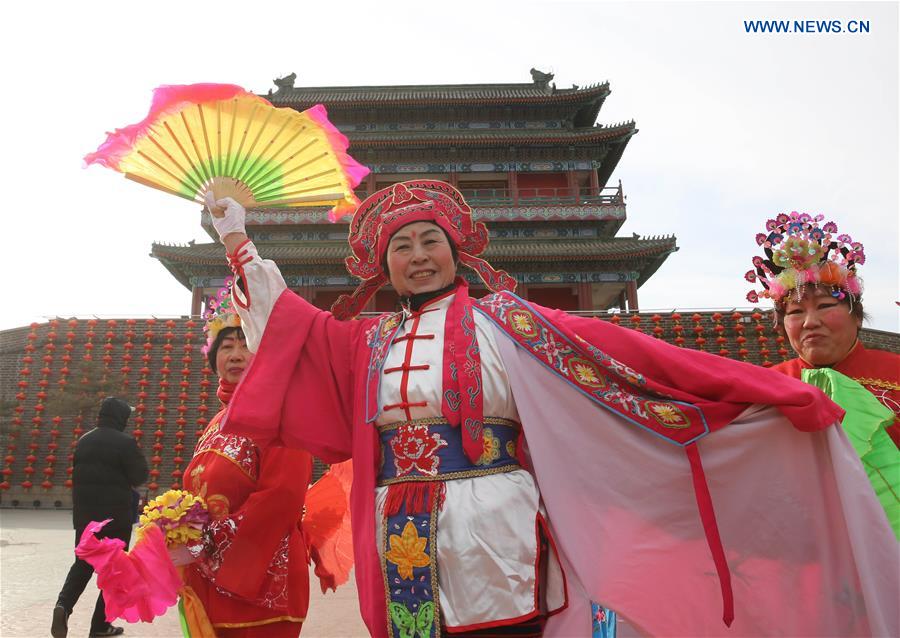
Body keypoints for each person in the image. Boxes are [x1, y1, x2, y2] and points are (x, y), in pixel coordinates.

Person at [210, 181, 897, 637]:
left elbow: (643, 360)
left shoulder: (512, 324)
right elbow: (287, 329)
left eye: (430, 242)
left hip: (497, 521)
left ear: (456, 253)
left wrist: (771, 392)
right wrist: (239, 240)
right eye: (401, 248)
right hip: (400, 526)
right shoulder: (364, 340)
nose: (418, 257)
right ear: (382, 267)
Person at [746, 211, 899, 535]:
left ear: (856, 316)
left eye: (826, 307)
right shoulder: (765, 388)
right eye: (796, 311)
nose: (810, 322)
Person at [175, 288, 316, 637]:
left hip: (261, 583)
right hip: (209, 579)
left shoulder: (283, 416)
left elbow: (281, 497)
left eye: (246, 344)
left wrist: (206, 544)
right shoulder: (216, 423)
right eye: (227, 346)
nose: (236, 354)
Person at [52, 397, 148, 638]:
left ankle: (63, 605)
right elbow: (140, 476)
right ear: (121, 417)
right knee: (114, 571)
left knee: (82, 564)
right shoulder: (125, 443)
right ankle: (99, 626)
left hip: (86, 518)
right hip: (116, 518)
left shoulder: (84, 441)